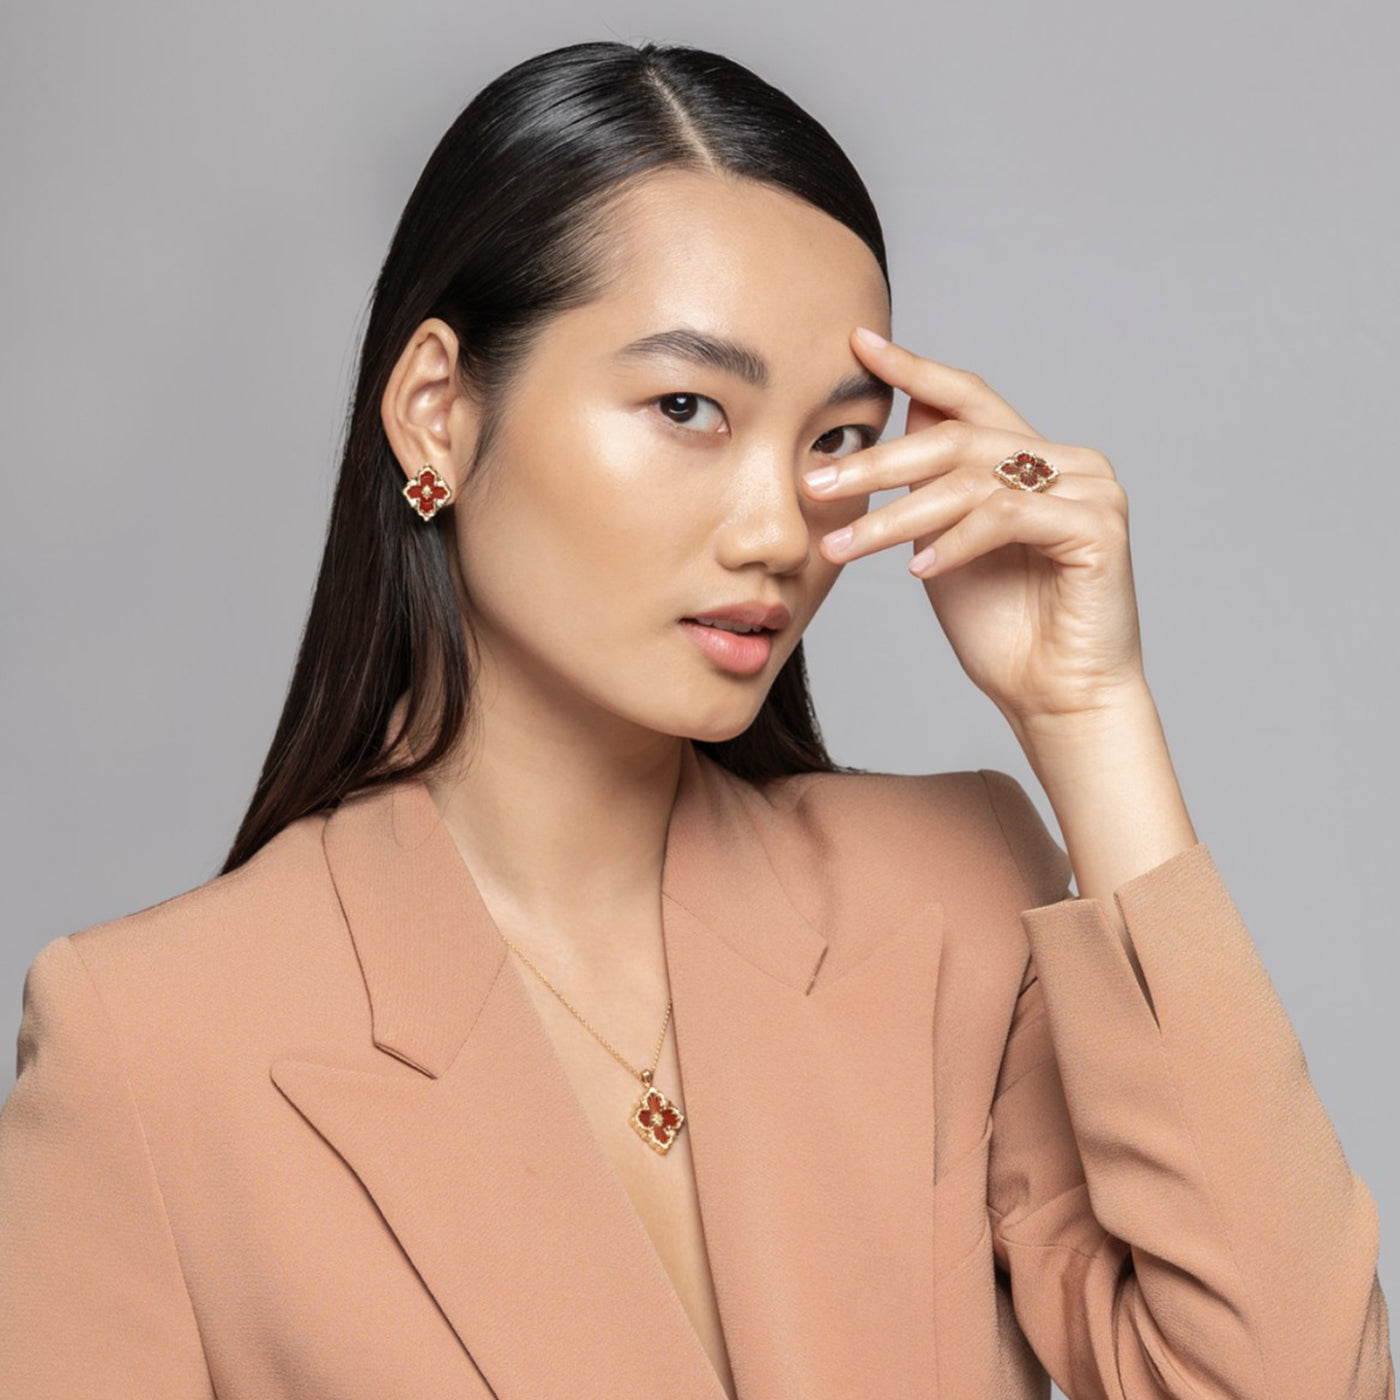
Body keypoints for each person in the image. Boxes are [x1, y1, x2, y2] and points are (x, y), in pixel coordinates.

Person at [0, 37, 1391, 1400]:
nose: (779, 525)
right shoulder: (154, 1045)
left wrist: (1090, 714)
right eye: (687, 407)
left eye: (838, 440)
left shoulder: (952, 896)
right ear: (436, 413)